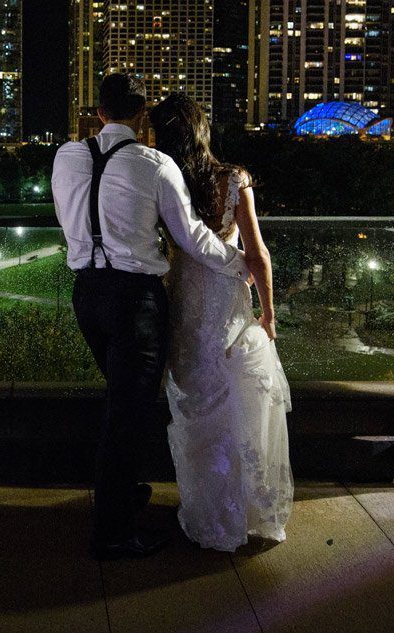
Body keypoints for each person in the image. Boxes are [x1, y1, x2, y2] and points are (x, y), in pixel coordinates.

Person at [51, 73, 249, 559]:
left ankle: (124, 496)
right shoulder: (155, 164)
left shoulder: (65, 156)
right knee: (127, 414)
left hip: (87, 294)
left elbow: (66, 216)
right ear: (143, 118)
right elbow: (193, 239)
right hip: (135, 301)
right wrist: (241, 265)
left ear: (99, 113)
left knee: (123, 405)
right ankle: (112, 532)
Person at [149, 93, 292, 552]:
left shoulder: (162, 179)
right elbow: (258, 253)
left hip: (185, 294)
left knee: (196, 405)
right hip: (225, 298)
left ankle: (209, 513)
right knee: (238, 404)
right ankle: (247, 512)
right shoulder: (231, 180)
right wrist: (268, 313)